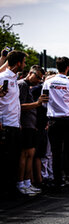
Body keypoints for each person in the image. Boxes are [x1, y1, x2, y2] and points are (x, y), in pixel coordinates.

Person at [42, 56, 69, 193]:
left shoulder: (48, 83)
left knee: (55, 153)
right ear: (68, 67)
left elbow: (44, 101)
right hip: (68, 120)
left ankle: (57, 184)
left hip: (53, 121)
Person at [17, 65, 48, 196]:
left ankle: (27, 182)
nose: (38, 81)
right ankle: (21, 183)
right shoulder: (22, 85)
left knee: (30, 154)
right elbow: (19, 106)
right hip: (24, 125)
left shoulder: (27, 86)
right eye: (38, 78)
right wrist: (37, 103)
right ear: (30, 73)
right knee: (25, 155)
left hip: (31, 125)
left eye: (41, 79)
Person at [0, 50, 28, 195]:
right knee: (7, 160)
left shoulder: (15, 78)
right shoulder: (2, 77)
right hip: (5, 126)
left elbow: (14, 103)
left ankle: (11, 189)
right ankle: (6, 191)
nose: (25, 64)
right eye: (24, 62)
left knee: (14, 160)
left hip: (15, 125)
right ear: (18, 63)